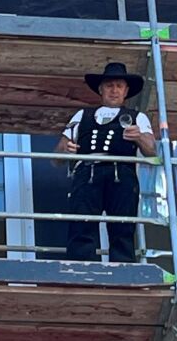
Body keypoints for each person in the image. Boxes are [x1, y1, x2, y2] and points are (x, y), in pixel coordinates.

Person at [56, 61, 157, 262]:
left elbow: (152, 152)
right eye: (109, 85)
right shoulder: (82, 115)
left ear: (126, 91)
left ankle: (122, 270)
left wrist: (138, 137)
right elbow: (57, 156)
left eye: (119, 86)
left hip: (122, 174)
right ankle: (80, 268)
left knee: (122, 227)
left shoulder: (138, 117)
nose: (114, 90)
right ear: (101, 89)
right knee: (82, 224)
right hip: (87, 173)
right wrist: (66, 150)